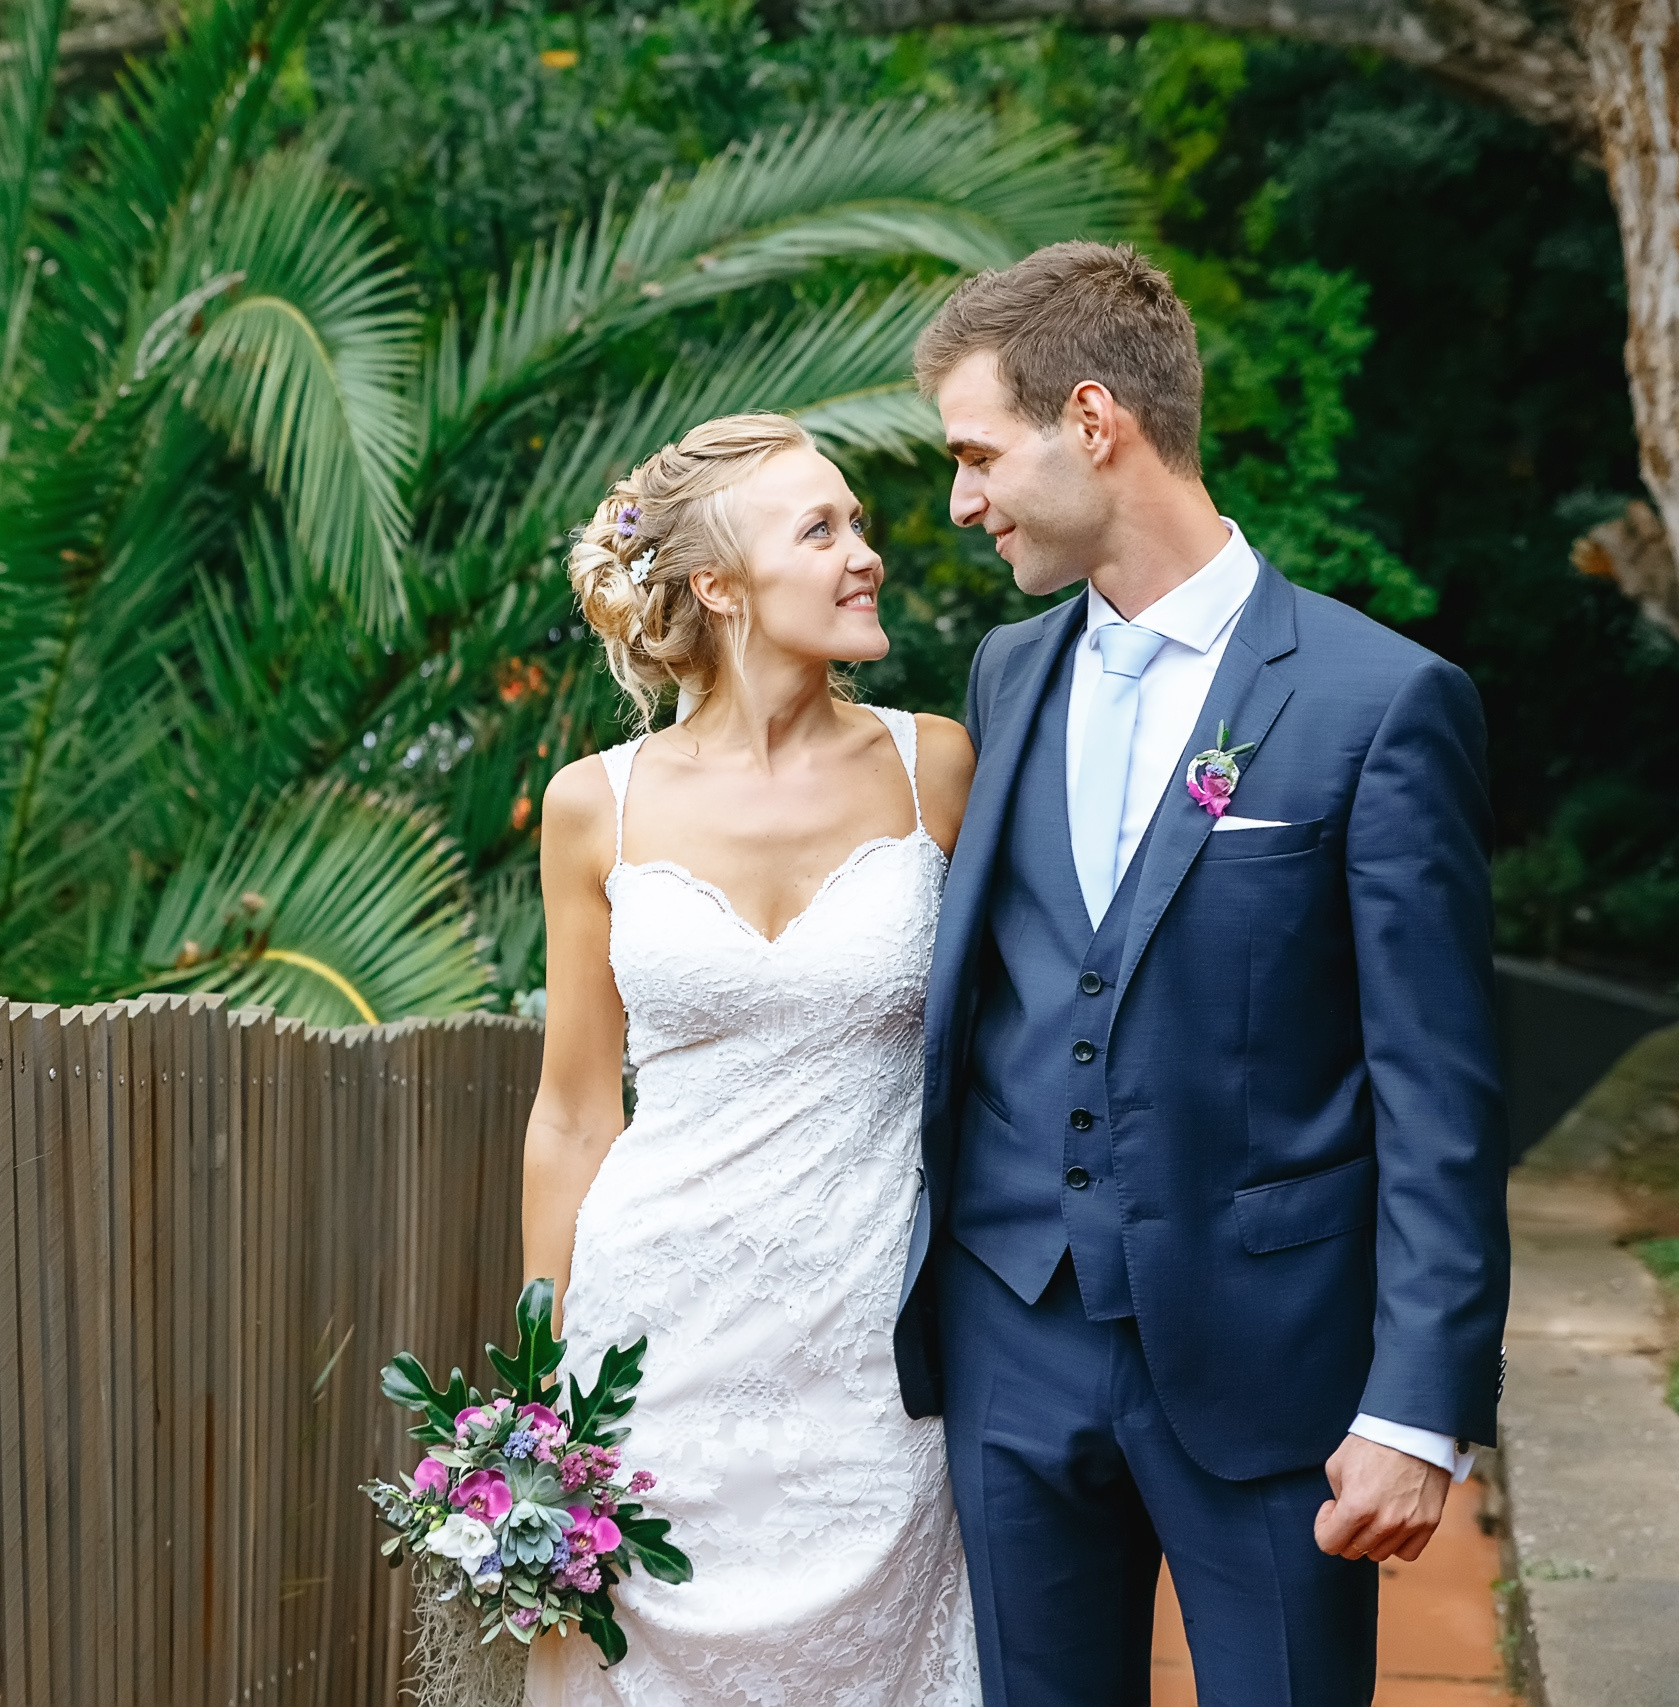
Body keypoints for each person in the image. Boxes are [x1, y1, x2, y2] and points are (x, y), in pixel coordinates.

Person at [899, 242, 1510, 1704]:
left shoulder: (1381, 702)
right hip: (1012, 1331)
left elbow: (1439, 1092)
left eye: (979, 454)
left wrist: (1417, 1409)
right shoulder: (1005, 673)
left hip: (1269, 1367)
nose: (961, 500)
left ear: (1094, 423)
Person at [520, 412, 981, 1704]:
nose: (865, 554)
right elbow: (570, 1115)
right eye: (820, 529)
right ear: (718, 586)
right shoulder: (590, 806)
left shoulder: (935, 767)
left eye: (859, 523)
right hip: (656, 1342)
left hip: (875, 1361)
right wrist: (544, 1394)